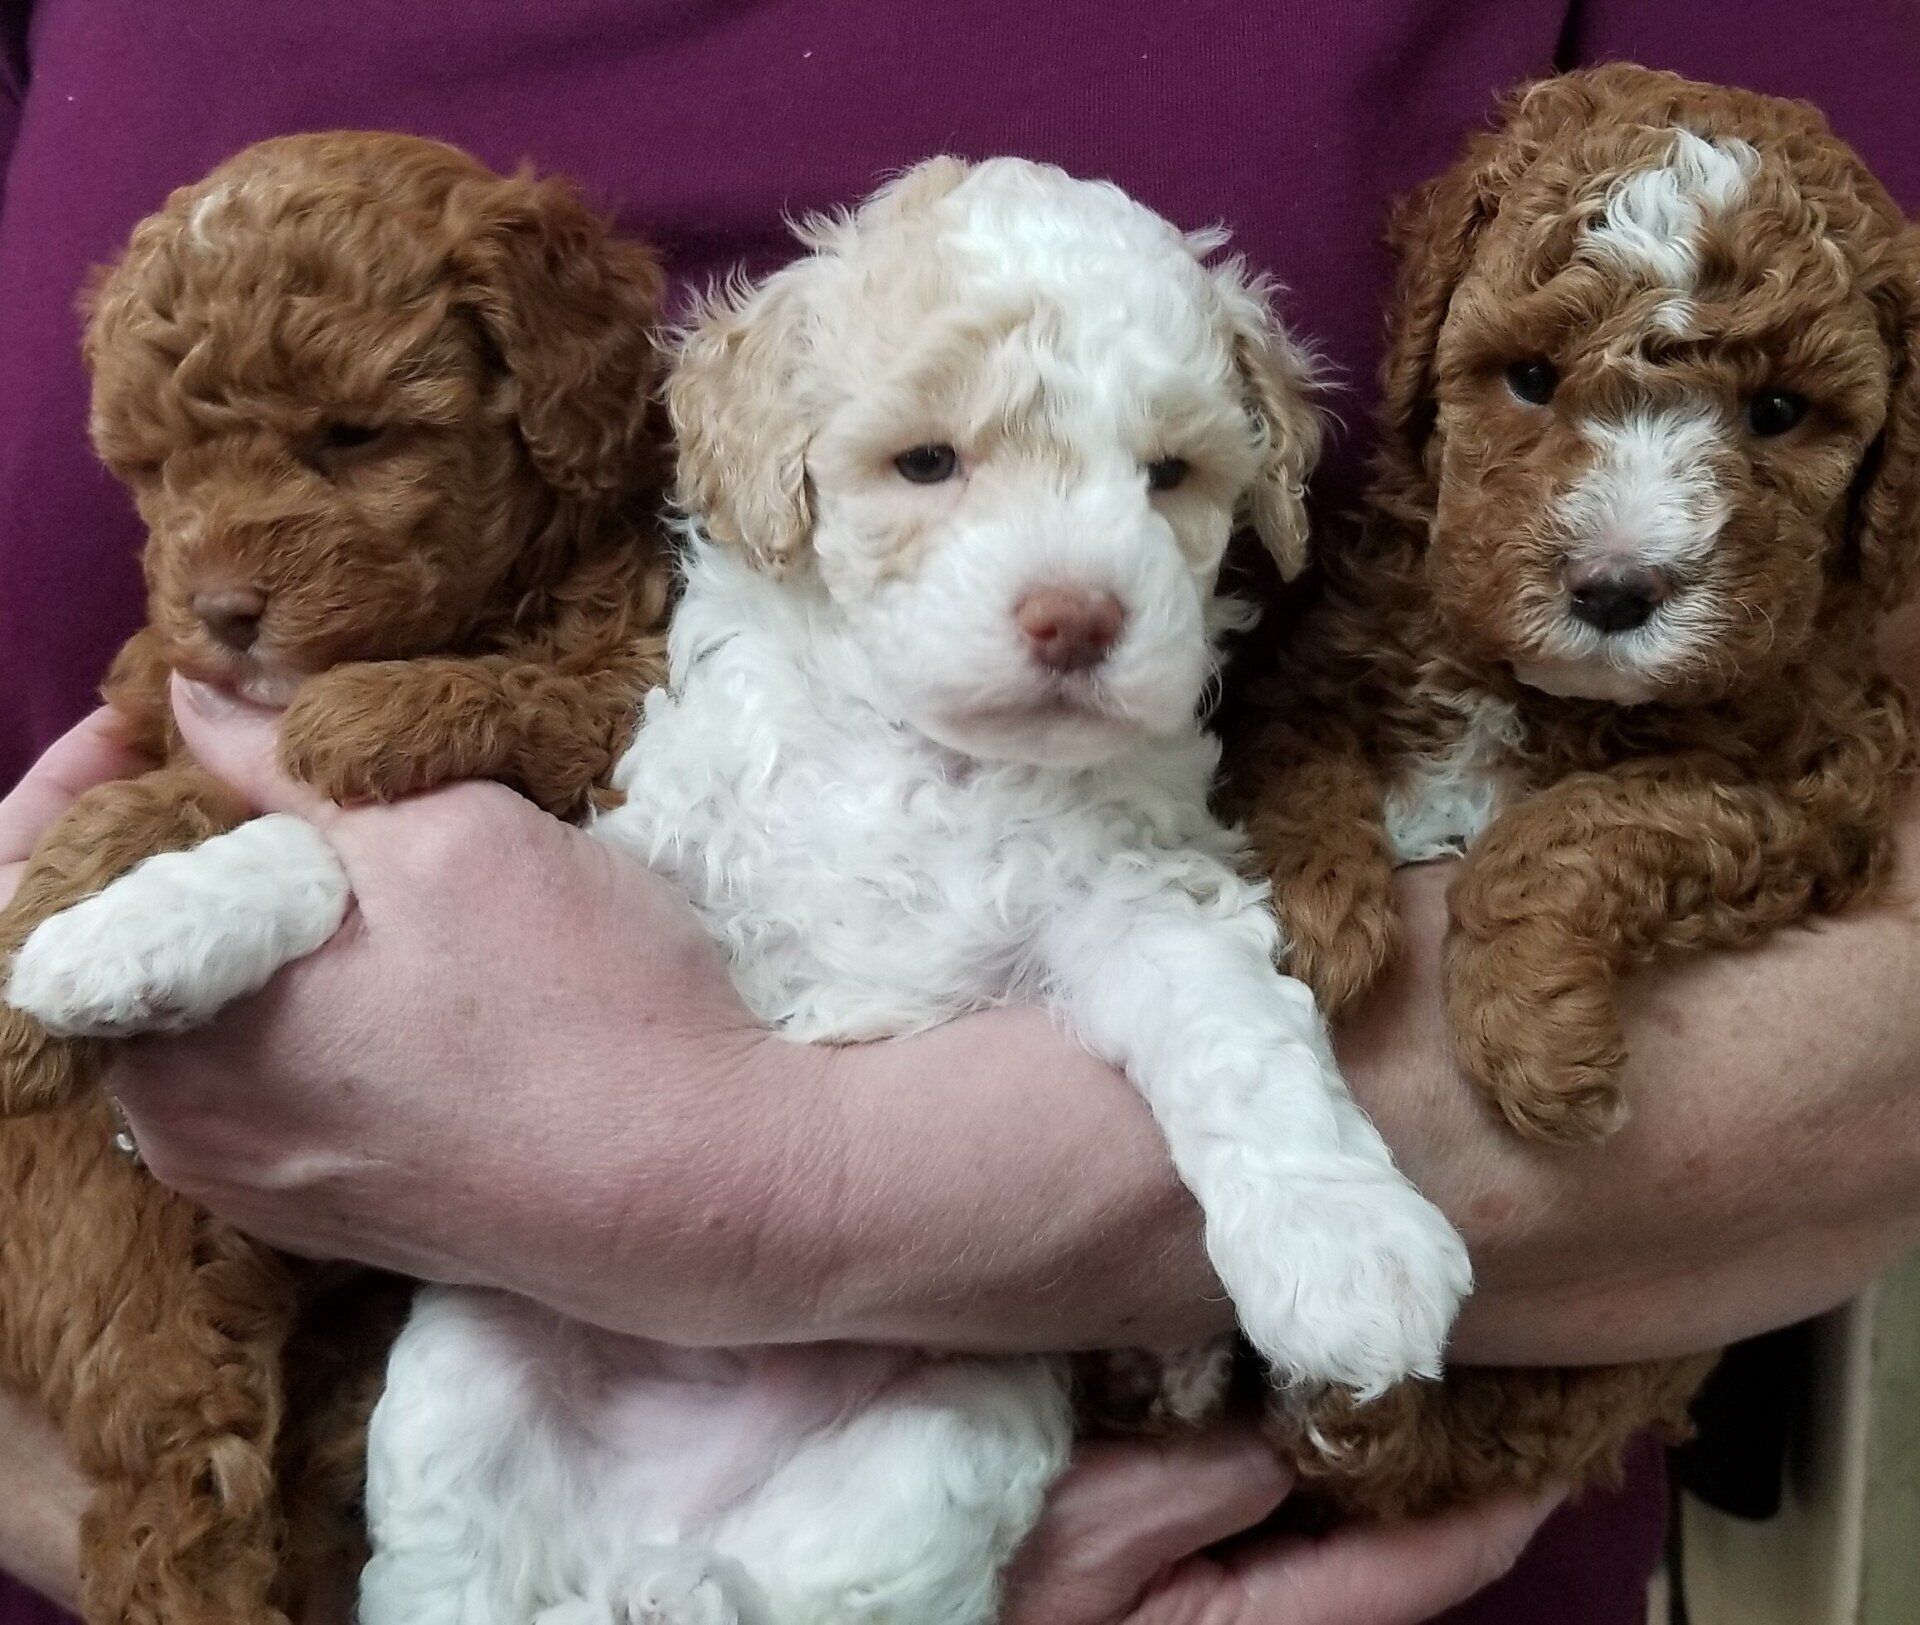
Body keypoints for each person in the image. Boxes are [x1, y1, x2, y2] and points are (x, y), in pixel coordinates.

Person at [2, 3, 1917, 1621]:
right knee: (459, 1435)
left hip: (1168, 1524)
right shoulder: (713, 647)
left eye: (1172, 473)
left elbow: (1875, 1010)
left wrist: (763, 1185)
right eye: (926, 457)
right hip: (173, 1466)